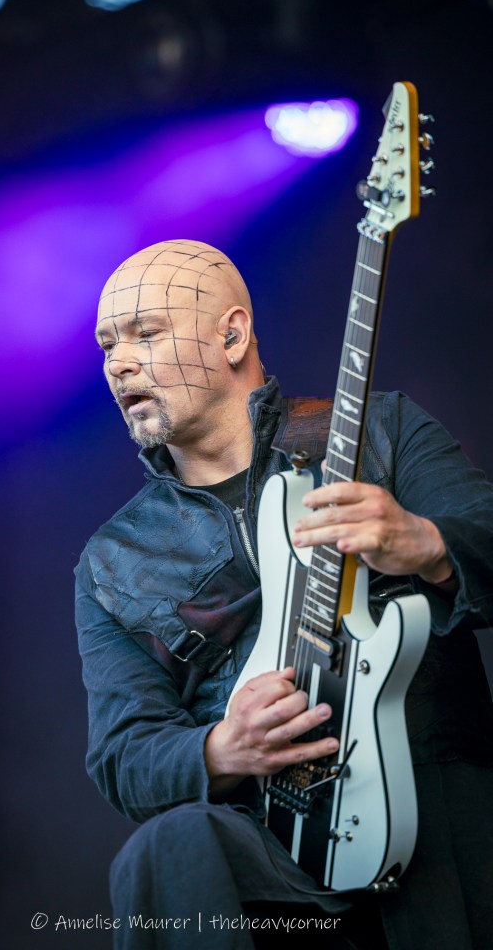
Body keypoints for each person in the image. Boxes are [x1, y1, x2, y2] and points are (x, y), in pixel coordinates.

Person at [74, 238, 493, 949]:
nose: (119, 362)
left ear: (232, 335)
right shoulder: (114, 560)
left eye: (146, 333)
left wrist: (424, 544)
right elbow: (124, 754)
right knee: (167, 849)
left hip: (440, 824)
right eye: (108, 344)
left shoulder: (379, 432)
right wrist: (221, 748)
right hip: (279, 866)